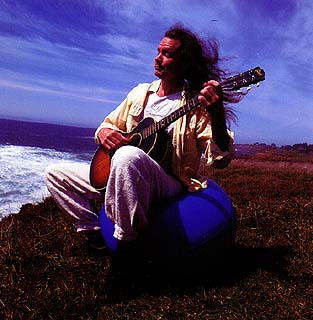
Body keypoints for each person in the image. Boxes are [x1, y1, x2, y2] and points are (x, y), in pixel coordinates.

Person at [45, 25, 241, 259]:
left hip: (168, 181)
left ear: (185, 62)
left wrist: (217, 115)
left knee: (127, 155)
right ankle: (95, 235)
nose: (158, 59)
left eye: (167, 54)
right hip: (125, 172)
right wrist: (105, 132)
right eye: (158, 51)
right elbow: (107, 124)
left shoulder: (196, 103)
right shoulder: (139, 93)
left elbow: (220, 160)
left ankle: (127, 251)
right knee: (55, 173)